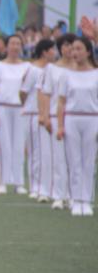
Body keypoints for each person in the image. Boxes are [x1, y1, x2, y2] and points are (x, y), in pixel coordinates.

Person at [55, 36, 98, 216]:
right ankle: (75, 199)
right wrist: (59, 125)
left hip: (92, 119)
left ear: (88, 51)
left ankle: (85, 200)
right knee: (74, 161)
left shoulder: (96, 73)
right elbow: (61, 102)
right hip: (72, 118)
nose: (75, 53)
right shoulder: (66, 74)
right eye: (73, 49)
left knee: (89, 160)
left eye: (79, 49)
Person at [37, 34, 76, 209]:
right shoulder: (52, 69)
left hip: (75, 116)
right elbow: (46, 93)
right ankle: (60, 195)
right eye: (66, 45)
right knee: (59, 157)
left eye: (72, 46)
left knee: (75, 158)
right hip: (55, 116)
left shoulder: (81, 69)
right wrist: (45, 116)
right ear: (60, 48)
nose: (69, 49)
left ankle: (74, 195)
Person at [0, 34, 30, 194]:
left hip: (21, 109)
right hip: (3, 107)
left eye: (18, 43)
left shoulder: (27, 66)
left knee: (19, 144)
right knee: (4, 144)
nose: (15, 46)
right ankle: (3, 182)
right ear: (7, 46)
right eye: (12, 43)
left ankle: (19, 182)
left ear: (21, 46)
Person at [19, 40, 56, 202]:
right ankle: (35, 186)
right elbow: (23, 91)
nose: (55, 52)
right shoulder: (32, 69)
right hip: (32, 114)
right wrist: (28, 107)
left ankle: (47, 186)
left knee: (47, 152)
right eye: (52, 50)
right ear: (44, 52)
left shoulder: (54, 70)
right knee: (35, 152)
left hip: (48, 114)